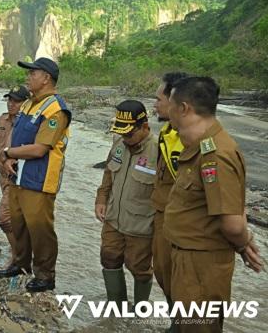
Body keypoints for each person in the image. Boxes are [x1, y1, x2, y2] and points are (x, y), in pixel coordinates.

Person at [165, 76, 264, 331]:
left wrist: (244, 244)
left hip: (201, 267)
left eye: (170, 103)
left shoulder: (215, 155)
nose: (166, 109)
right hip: (189, 262)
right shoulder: (199, 147)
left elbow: (232, 223)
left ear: (184, 108)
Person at [0, 57, 71, 293]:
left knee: (40, 229)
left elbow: (40, 149)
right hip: (18, 176)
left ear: (46, 78)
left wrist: (8, 152)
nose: (28, 77)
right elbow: (14, 133)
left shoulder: (56, 109)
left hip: (39, 179)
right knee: (18, 224)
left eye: (32, 74)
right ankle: (20, 264)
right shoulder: (29, 104)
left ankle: (45, 275)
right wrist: (8, 157)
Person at [94, 100, 157, 306]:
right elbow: (108, 174)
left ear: (145, 127)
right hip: (113, 218)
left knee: (139, 268)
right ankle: (117, 308)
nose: (125, 138)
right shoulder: (118, 143)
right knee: (109, 258)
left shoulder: (158, 151)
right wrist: (101, 199)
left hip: (141, 225)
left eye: (130, 134)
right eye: (122, 134)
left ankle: (140, 313)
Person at [151, 72, 187, 308]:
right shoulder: (166, 134)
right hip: (163, 215)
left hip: (181, 222)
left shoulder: (188, 140)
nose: (155, 105)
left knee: (183, 281)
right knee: (163, 272)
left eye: (159, 100)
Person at [0, 85, 30, 271]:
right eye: (9, 100)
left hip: (18, 178)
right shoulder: (2, 119)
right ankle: (21, 256)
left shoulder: (28, 123)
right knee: (15, 220)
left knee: (5, 219)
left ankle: (19, 258)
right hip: (3, 177)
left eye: (16, 101)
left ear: (26, 103)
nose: (11, 104)